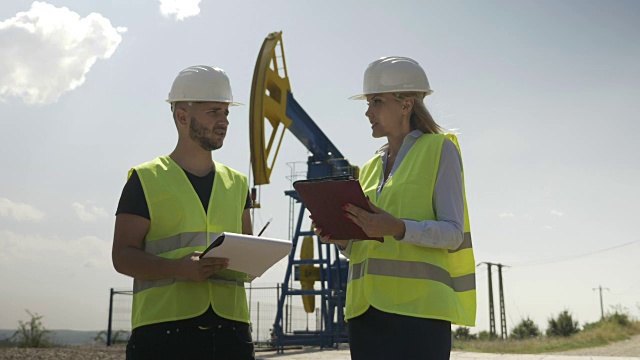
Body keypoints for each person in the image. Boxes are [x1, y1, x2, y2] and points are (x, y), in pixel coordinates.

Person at [313, 57, 476, 359]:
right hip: (365, 313)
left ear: (406, 104)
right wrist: (342, 240)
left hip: (419, 315)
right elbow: (368, 243)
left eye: (376, 101)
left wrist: (399, 228)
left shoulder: (440, 149)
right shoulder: (371, 167)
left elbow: (454, 233)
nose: (367, 112)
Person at [112, 65, 255, 360]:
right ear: (182, 116)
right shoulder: (146, 179)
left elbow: (247, 257)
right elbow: (122, 255)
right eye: (214, 111)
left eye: (226, 113)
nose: (224, 121)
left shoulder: (238, 183)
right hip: (163, 335)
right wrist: (178, 268)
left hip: (232, 333)